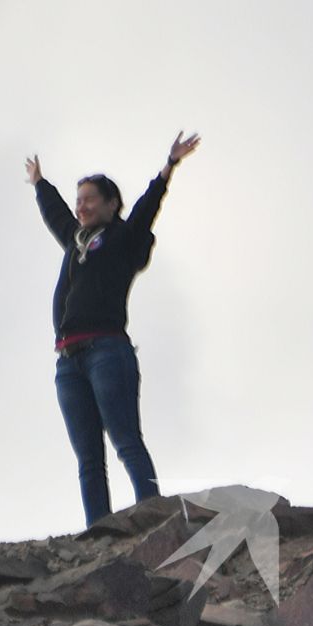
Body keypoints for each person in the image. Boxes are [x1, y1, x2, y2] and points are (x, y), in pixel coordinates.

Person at [25, 131, 201, 529]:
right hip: (68, 361)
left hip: (107, 350)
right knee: (88, 458)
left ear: (110, 204)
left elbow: (146, 210)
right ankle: (100, 533)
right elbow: (56, 213)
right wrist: (39, 183)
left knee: (126, 441)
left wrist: (167, 168)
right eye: (79, 199)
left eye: (89, 199)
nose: (81, 206)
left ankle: (156, 516)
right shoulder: (76, 241)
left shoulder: (122, 237)